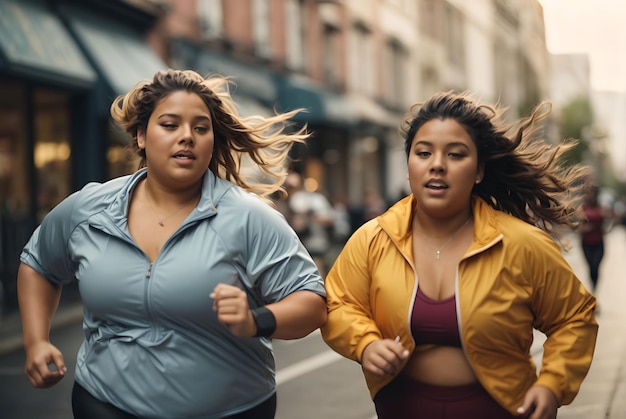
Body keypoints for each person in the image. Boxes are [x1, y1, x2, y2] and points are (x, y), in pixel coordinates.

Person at [17, 69, 327, 419]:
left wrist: (256, 319)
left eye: (200, 127)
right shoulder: (89, 209)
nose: (187, 137)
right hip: (105, 404)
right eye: (169, 125)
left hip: (229, 410)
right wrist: (36, 341)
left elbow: (312, 303)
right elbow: (38, 265)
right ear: (140, 136)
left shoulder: (249, 218)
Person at [321, 91, 598, 419]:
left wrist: (552, 384)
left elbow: (574, 318)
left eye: (455, 155)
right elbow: (338, 304)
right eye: (423, 153)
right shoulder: (372, 239)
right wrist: (365, 344)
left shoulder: (523, 244)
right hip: (402, 408)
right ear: (409, 166)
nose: (437, 165)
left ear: (478, 171)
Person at [578, 183, 613, 293]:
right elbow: (577, 227)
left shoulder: (602, 208)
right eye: (588, 194)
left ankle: (594, 290)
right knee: (590, 266)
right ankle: (592, 288)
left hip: (599, 242)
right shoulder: (583, 209)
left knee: (596, 266)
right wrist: (587, 228)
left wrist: (607, 228)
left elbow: (611, 221)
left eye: (592, 194)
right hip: (586, 243)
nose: (590, 196)